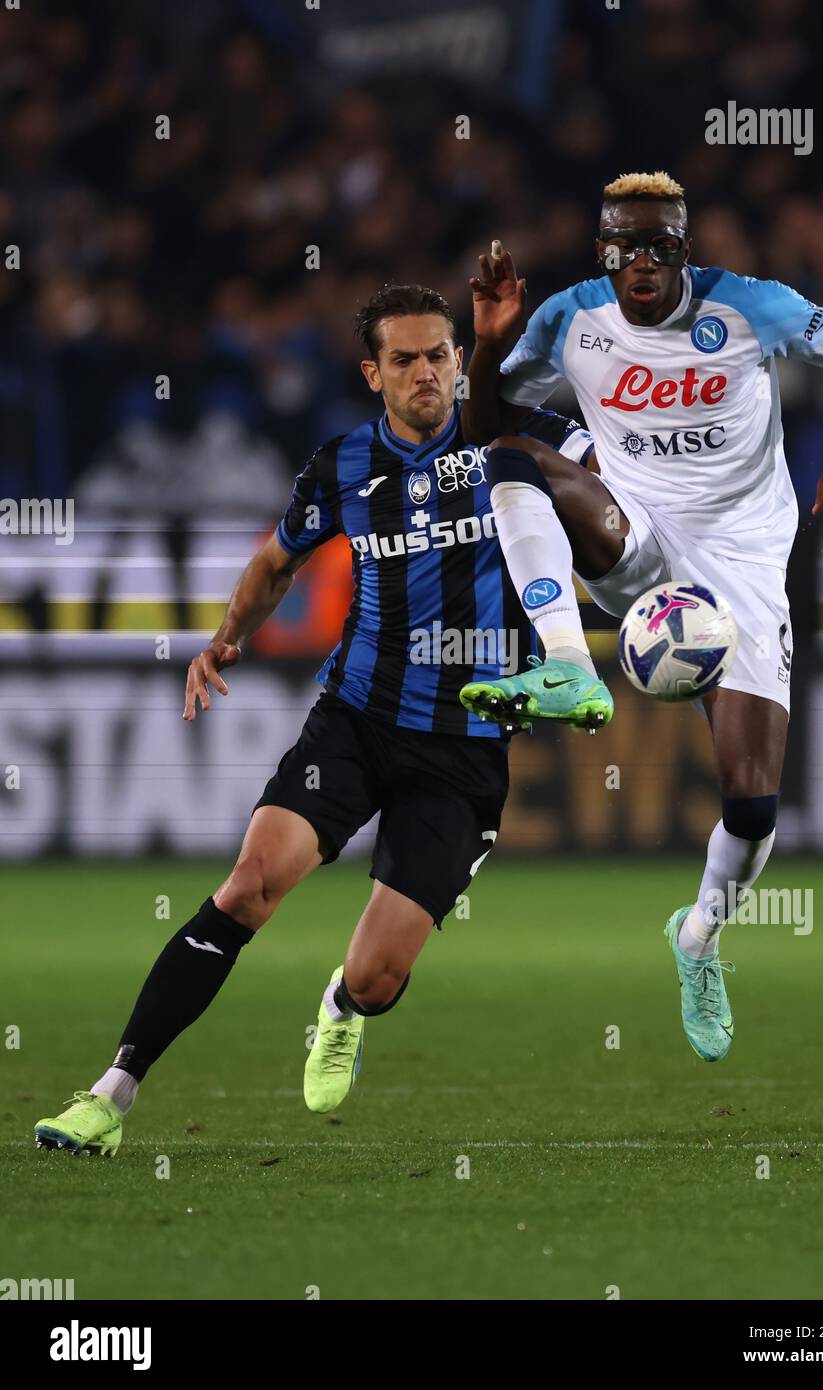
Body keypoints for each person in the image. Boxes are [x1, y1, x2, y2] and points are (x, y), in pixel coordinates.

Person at [33, 284, 597, 1156]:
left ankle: (342, 1007)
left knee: (378, 978)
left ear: (461, 359)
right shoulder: (340, 467)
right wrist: (224, 640)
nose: (426, 374)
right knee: (250, 885)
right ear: (373, 373)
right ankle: (110, 1096)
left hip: (469, 742)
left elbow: (625, 486)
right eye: (403, 360)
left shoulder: (516, 439)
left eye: (439, 355)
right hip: (358, 720)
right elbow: (274, 563)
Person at [459, 172, 823, 1062]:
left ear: (684, 250)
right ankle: (567, 662)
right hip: (638, 537)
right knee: (508, 458)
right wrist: (485, 345)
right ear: (602, 251)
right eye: (626, 244)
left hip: (741, 563)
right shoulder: (571, 319)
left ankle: (698, 936)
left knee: (754, 803)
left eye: (660, 244)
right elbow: (483, 421)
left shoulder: (749, 309)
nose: (643, 261)